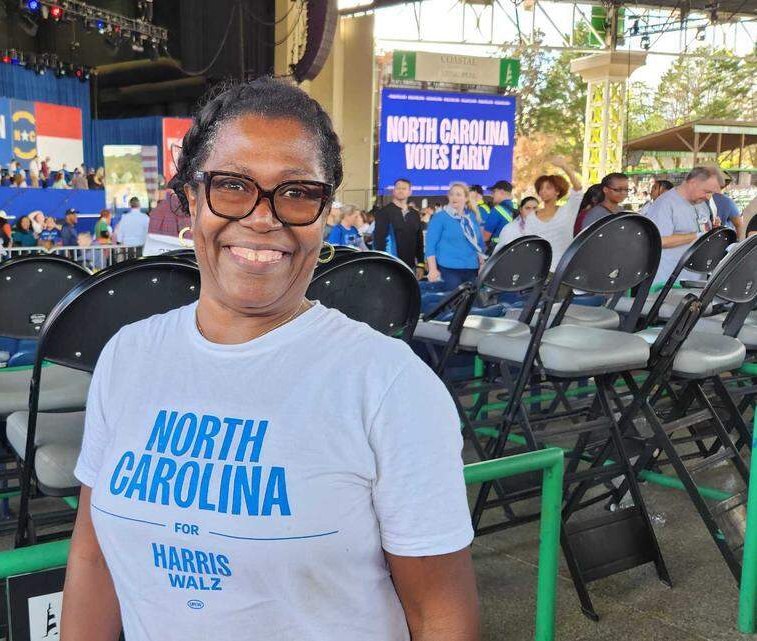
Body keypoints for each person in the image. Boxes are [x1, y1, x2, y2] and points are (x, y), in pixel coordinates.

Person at [62, 77, 477, 641]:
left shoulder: (389, 384)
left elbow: (440, 615)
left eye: (298, 192)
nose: (263, 218)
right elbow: (92, 559)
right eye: (232, 186)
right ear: (190, 199)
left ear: (325, 212)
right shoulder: (128, 356)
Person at [646, 165, 727, 284]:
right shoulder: (665, 204)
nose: (708, 197)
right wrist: (696, 236)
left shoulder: (701, 204)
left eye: (712, 193)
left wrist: (711, 231)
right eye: (707, 191)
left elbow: (702, 230)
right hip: (666, 284)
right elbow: (658, 240)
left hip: (694, 281)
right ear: (693, 182)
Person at [521, 156, 584, 268]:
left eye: (548, 188)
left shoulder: (567, 211)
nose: (543, 191)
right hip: (538, 269)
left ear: (558, 191)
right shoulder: (531, 217)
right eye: (540, 188)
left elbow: (578, 190)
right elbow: (528, 244)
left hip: (563, 269)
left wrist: (564, 166)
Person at [425, 183, 485, 290]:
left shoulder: (471, 217)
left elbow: (479, 243)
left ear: (466, 198)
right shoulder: (440, 217)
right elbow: (430, 245)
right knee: (454, 304)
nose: (454, 197)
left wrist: (482, 265)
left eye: (458, 194)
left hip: (472, 268)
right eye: (451, 194)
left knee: (470, 304)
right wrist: (432, 269)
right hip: (448, 269)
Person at [372, 178, 424, 275]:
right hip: (390, 266)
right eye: (398, 188)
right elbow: (378, 241)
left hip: (411, 267)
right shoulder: (383, 213)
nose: (400, 190)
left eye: (404, 188)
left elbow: (419, 240)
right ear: (393, 191)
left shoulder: (414, 214)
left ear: (410, 192)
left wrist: (421, 264)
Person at [481, 180, 515, 248]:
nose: (492, 195)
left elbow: (485, 237)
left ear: (501, 192)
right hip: (515, 249)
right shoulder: (519, 207)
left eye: (494, 192)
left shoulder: (496, 210)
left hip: (498, 252)